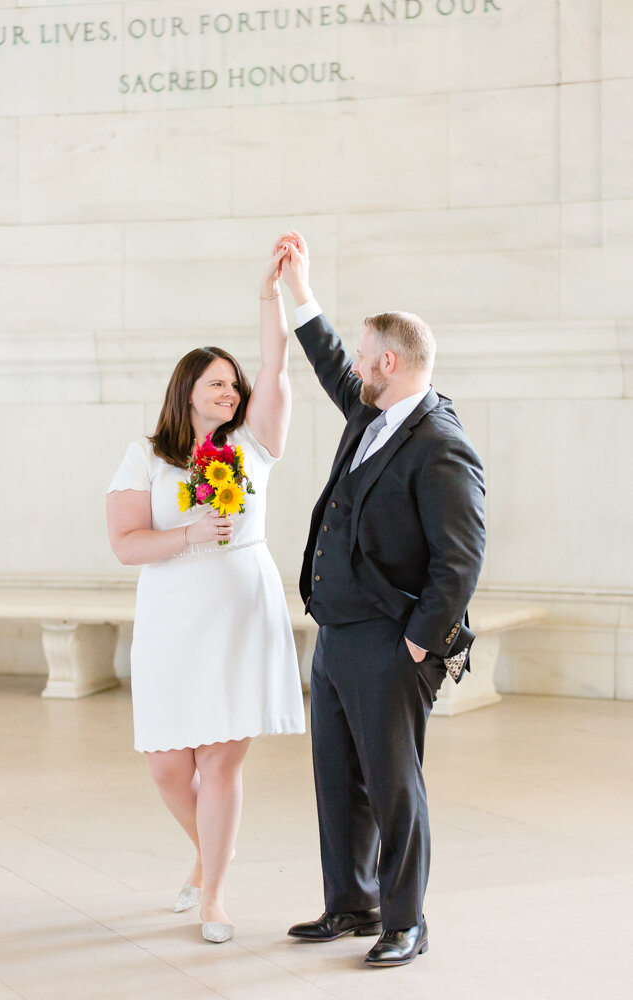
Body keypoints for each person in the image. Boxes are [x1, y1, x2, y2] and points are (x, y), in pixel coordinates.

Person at [279, 231, 486, 967]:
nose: (357, 366)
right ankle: (350, 905)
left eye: (366, 356)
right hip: (337, 632)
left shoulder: (439, 442)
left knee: (393, 785)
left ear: (390, 364)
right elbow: (331, 364)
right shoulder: (373, 410)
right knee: (337, 777)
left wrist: (418, 641)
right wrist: (299, 293)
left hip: (390, 640)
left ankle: (406, 920)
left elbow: (460, 557)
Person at [105, 241, 305, 944]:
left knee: (220, 759)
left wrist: (270, 294)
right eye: (215, 384)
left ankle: (214, 892)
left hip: (239, 611)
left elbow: (278, 364)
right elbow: (126, 543)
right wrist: (188, 533)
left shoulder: (254, 444)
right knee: (167, 768)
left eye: (233, 384)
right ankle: (206, 854)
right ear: (186, 389)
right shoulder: (146, 456)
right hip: (171, 617)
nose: (229, 392)